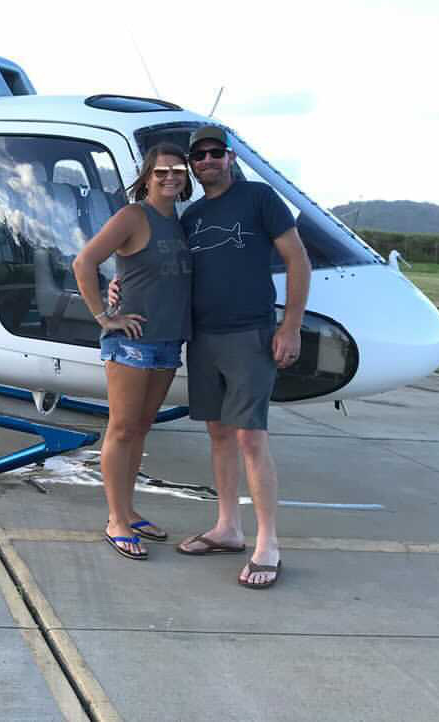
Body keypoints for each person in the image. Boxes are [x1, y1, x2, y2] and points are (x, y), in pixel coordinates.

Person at [173, 125, 310, 589]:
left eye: (215, 153)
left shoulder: (259, 198)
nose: (207, 160)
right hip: (204, 337)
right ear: (192, 165)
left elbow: (297, 260)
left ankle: (267, 542)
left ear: (230, 157)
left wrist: (289, 326)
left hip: (250, 334)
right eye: (199, 156)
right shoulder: (190, 216)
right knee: (218, 433)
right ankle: (227, 527)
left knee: (251, 437)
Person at [73, 143, 193, 560]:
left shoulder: (179, 222)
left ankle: (129, 510)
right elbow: (84, 263)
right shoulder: (132, 216)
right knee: (122, 429)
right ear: (146, 177)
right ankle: (115, 519)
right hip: (132, 343)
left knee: (141, 428)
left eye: (177, 171)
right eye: (160, 172)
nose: (169, 177)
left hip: (167, 340)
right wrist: (104, 315)